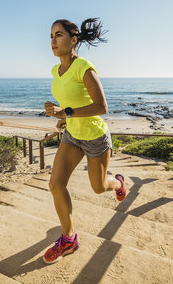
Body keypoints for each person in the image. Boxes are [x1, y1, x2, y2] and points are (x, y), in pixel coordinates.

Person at [42, 18, 127, 264]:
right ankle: (69, 239)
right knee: (56, 185)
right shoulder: (54, 71)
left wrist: (65, 112)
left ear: (73, 39)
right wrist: (63, 117)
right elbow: (72, 103)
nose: (53, 41)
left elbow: (101, 106)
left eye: (58, 35)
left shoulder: (84, 67)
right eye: (51, 36)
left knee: (99, 187)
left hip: (95, 138)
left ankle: (118, 183)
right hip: (72, 135)